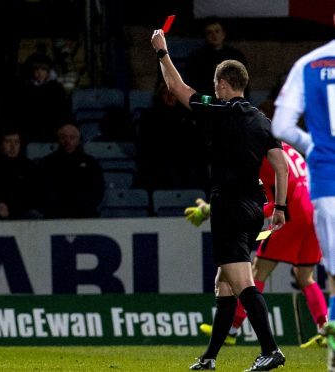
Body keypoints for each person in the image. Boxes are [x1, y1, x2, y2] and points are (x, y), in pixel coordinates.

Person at [151, 29, 288, 371]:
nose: (214, 90)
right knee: (224, 282)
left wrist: (162, 53)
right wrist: (281, 208)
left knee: (241, 281)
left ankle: (270, 350)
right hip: (255, 206)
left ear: (224, 85)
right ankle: (210, 358)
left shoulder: (219, 109)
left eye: (216, 84)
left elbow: (177, 89)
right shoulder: (261, 119)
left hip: (228, 204)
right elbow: (281, 166)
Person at [185, 142, 327, 348]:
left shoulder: (262, 156)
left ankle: (231, 330)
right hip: (314, 210)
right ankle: (325, 330)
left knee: (257, 270)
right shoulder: (287, 148)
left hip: (292, 212)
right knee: (304, 275)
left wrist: (215, 209)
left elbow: (274, 201)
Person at [270, 12, 335, 370]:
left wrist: (315, 147)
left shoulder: (309, 64)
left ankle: (333, 332)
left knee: (331, 272)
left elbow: (281, 124)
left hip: (324, 183)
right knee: (311, 275)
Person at [136, 81, 207, 191]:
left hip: (182, 166)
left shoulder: (187, 117)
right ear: (160, 95)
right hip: (158, 165)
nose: (169, 97)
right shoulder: (149, 117)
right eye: (165, 93)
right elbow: (147, 146)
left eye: (172, 94)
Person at [38, 124, 105, 218]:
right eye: (63, 138)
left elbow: (98, 190)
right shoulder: (47, 163)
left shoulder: (90, 163)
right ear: (58, 140)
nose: (68, 141)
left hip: (85, 214)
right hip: (55, 215)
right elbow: (42, 191)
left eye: (72, 137)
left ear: (78, 140)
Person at [6, 53, 69, 142]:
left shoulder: (56, 89)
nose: (39, 73)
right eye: (36, 70)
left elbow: (61, 112)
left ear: (48, 71)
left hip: (51, 131)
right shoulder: (23, 88)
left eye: (43, 69)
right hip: (28, 131)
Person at [185, 17, 248, 96]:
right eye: (209, 32)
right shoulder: (197, 58)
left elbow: (243, 81)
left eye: (217, 31)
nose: (214, 35)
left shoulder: (236, 55)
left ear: (224, 33)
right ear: (205, 36)